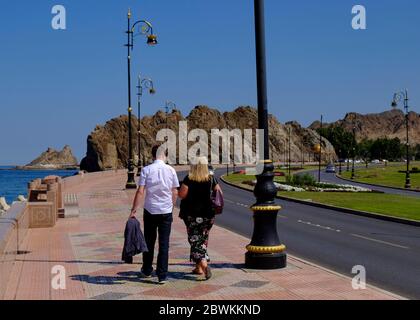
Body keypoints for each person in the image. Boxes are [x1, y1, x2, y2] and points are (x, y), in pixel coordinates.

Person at [130, 145, 179, 284]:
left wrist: (133, 210)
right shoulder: (171, 170)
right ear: (165, 154)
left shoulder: (146, 170)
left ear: (152, 155)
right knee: (164, 244)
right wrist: (172, 207)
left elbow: (140, 191)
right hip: (166, 211)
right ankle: (162, 275)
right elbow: (175, 191)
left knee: (149, 241)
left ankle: (146, 270)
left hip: (150, 210)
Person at [178, 157, 223, 280]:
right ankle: (198, 268)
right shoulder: (211, 179)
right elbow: (219, 193)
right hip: (208, 215)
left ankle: (204, 264)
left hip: (192, 215)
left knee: (194, 239)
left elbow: (181, 195)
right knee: (202, 239)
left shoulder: (189, 179)